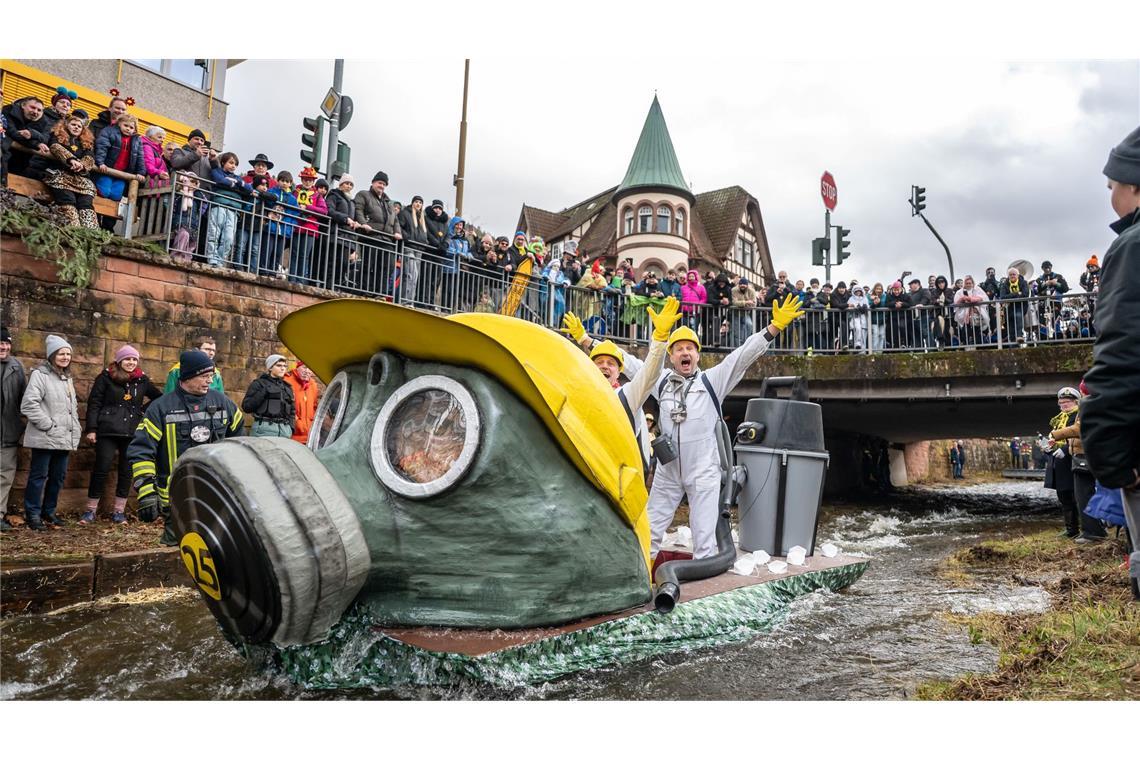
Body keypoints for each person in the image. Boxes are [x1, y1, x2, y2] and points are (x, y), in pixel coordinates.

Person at [647, 294, 805, 559]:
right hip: (668, 471)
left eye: (690, 348)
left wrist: (773, 328)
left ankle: (702, 586)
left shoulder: (712, 381)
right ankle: (640, 580)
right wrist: (587, 341)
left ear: (697, 355)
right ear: (671, 356)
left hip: (703, 472)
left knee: (704, 536)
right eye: (679, 349)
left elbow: (742, 356)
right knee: (650, 529)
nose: (685, 352)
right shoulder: (659, 380)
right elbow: (628, 365)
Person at [1080, 124, 1140, 599]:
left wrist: (1110, 456)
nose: (1110, 194)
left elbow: (1123, 350)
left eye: (1113, 184)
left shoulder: (1133, 245)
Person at [129, 350, 243, 545]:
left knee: (216, 551)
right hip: (176, 499)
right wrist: (147, 490)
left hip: (215, 495)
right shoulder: (160, 408)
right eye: (204, 376)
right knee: (177, 551)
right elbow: (141, 451)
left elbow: (240, 445)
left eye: (211, 376)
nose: (209, 381)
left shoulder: (223, 403)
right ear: (188, 376)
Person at [562, 298, 679, 469]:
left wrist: (660, 339)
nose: (604, 366)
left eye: (611, 364)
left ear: (618, 373)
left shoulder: (627, 396)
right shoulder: (581, 397)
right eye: (599, 362)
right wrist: (585, 340)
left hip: (624, 480)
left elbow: (649, 373)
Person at [80, 345, 162, 525]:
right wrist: (92, 429)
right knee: (101, 469)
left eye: (134, 359)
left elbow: (159, 398)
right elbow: (94, 403)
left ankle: (119, 512)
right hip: (107, 430)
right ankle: (90, 511)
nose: (131, 362)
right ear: (119, 360)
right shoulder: (105, 378)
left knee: (126, 472)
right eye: (127, 359)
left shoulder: (142, 380)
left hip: (131, 432)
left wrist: (142, 411)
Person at [19, 335, 81, 530]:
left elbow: (72, 408)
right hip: (45, 437)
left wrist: (75, 428)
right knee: (39, 476)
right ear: (52, 355)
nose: (65, 357)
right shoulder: (40, 375)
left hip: (63, 438)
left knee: (58, 477)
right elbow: (29, 405)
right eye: (61, 353)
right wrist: (48, 425)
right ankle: (33, 514)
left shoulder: (67, 377)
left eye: (68, 354)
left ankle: (49, 512)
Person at [1048, 383, 1108, 543]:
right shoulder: (1091, 406)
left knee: (1084, 495)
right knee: (1078, 495)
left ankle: (1093, 532)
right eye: (1061, 402)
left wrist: (1055, 435)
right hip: (1078, 456)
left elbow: (1079, 429)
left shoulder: (1089, 407)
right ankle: (1087, 530)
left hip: (1084, 456)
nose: (1063, 404)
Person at [41, 114, 99, 228]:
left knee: (86, 203)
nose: (76, 127)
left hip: (80, 179)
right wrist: (71, 160)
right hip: (60, 175)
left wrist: (83, 165)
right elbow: (55, 147)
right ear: (66, 125)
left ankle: (91, 234)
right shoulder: (57, 136)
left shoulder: (86, 144)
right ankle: (72, 229)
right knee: (68, 199)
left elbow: (90, 157)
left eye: (79, 126)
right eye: (73, 124)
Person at [1042, 387, 1084, 538]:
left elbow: (1078, 436)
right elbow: (1055, 439)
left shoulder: (1078, 416)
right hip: (1058, 462)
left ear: (1075, 402)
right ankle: (1071, 529)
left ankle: (1084, 529)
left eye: (1067, 402)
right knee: (1064, 496)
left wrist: (1065, 450)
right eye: (1061, 403)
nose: (1064, 405)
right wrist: (1047, 448)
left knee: (1078, 496)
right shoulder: (1058, 419)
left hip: (1073, 460)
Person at [204, 152, 253, 267]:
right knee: (214, 233)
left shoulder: (237, 177)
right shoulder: (217, 171)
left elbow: (249, 188)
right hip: (218, 205)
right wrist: (234, 185)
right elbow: (219, 180)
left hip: (234, 210)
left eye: (235, 164)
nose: (233, 166)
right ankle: (212, 258)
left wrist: (238, 182)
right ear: (223, 163)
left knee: (229, 238)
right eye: (231, 163)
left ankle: (221, 260)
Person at [1, 327, 27, 531]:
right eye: (1, 343)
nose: (3, 346)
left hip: (8, 431)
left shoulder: (17, 367)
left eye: (6, 343)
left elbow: (23, 400)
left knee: (5, 475)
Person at [93, 113, 146, 204]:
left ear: (134, 130)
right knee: (104, 192)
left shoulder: (137, 140)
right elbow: (102, 147)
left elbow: (140, 157)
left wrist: (141, 172)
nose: (128, 129)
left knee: (116, 196)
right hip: (107, 169)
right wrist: (100, 162)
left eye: (131, 127)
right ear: (119, 123)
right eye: (125, 125)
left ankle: (108, 217)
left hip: (123, 173)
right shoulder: (109, 131)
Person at [241, 354, 295, 438]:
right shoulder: (258, 384)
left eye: (285, 366)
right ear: (270, 368)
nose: (283, 368)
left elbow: (292, 411)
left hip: (284, 431)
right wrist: (264, 391)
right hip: (264, 429)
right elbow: (246, 407)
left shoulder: (287, 387)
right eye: (279, 365)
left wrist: (291, 428)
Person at [292, 166, 328, 284]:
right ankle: (292, 278)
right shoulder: (295, 192)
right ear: (302, 180)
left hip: (310, 228)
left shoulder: (317, 195)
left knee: (304, 255)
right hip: (296, 226)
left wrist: (307, 208)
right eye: (305, 179)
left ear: (313, 182)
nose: (307, 182)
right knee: (295, 253)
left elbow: (324, 211)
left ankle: (300, 280)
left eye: (310, 180)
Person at [262, 170, 300, 277]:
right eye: (282, 181)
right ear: (278, 181)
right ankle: (263, 270)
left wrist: (290, 228)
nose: (284, 183)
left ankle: (273, 271)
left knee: (278, 253)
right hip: (271, 227)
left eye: (287, 182)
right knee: (267, 249)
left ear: (290, 183)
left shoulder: (293, 199)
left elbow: (295, 214)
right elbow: (265, 203)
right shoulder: (272, 192)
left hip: (284, 231)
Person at [2, 96, 50, 177]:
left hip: (22, 162)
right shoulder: (8, 110)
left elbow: (45, 138)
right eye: (32, 107)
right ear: (23, 105)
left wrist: (32, 133)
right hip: (4, 154)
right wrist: (36, 144)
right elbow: (12, 132)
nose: (35, 112)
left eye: (39, 110)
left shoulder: (44, 121)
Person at [285, 362, 319, 446]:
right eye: (304, 367)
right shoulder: (287, 382)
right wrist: (297, 423)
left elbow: (314, 407)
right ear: (297, 367)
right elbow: (284, 407)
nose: (307, 371)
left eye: (310, 369)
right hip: (292, 435)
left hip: (309, 436)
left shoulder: (313, 385)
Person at [953, 275, 989, 346]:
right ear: (964, 284)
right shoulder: (960, 292)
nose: (968, 285)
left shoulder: (977, 289)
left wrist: (972, 299)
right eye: (967, 283)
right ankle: (966, 345)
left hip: (976, 314)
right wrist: (962, 299)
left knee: (977, 332)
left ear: (973, 283)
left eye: (970, 283)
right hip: (964, 315)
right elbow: (956, 303)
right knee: (965, 332)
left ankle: (978, 347)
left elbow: (984, 298)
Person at [999, 267, 1031, 345]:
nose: (1012, 276)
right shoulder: (1005, 284)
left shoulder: (1023, 282)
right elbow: (1002, 297)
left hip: (1021, 306)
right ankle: (1013, 345)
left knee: (1018, 315)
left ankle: (1020, 335)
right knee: (1011, 325)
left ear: (1018, 275)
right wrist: (1017, 294)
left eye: (1014, 274)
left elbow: (1025, 294)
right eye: (1010, 275)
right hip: (1009, 308)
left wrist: (1010, 296)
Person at [730, 277, 758, 347]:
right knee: (737, 333)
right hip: (736, 314)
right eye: (741, 284)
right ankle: (737, 348)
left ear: (747, 285)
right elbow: (734, 303)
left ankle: (745, 343)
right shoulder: (734, 290)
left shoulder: (752, 291)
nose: (742, 285)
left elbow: (754, 304)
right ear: (738, 285)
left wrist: (742, 304)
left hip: (746, 313)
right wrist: (747, 302)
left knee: (749, 325)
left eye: (744, 284)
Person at [847, 284, 869, 351]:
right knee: (858, 329)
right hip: (855, 317)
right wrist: (854, 307)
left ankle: (863, 350)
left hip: (863, 318)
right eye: (856, 291)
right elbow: (849, 306)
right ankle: (857, 344)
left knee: (863, 333)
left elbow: (867, 306)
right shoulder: (851, 298)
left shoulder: (865, 298)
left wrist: (864, 307)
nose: (858, 292)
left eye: (859, 291)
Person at [867, 282, 887, 353]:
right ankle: (874, 352)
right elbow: (868, 304)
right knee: (875, 334)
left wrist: (878, 302)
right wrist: (874, 303)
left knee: (882, 335)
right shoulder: (869, 296)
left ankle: (880, 352)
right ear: (874, 289)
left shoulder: (884, 296)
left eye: (880, 289)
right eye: (877, 288)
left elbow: (885, 303)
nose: (879, 290)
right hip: (874, 319)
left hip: (883, 319)